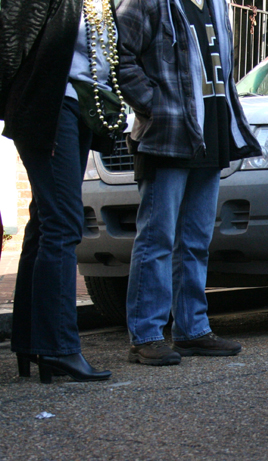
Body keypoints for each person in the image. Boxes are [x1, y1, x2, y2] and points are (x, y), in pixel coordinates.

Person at [115, 0, 262, 366]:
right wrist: (152, 104)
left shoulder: (216, 4)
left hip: (209, 129)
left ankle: (192, 329)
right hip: (165, 134)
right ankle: (146, 335)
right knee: (157, 237)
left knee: (196, 238)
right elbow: (120, 55)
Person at [0, 0, 114, 383]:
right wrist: (28, 108)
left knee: (46, 220)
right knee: (63, 223)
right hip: (50, 108)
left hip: (76, 107)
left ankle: (33, 341)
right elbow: (11, 40)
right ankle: (59, 347)